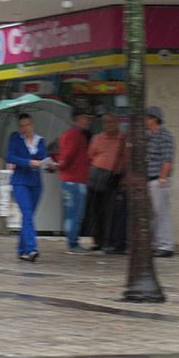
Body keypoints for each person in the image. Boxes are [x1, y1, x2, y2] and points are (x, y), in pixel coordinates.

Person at [6, 113, 48, 262]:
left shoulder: (40, 140)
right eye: (22, 125)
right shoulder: (15, 138)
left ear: (32, 125)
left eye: (27, 125)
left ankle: (21, 250)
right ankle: (31, 249)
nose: (25, 128)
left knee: (28, 217)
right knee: (28, 214)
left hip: (36, 183)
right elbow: (10, 157)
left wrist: (45, 163)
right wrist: (29, 162)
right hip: (20, 181)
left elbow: (43, 156)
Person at [87, 113, 126, 253]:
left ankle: (109, 241)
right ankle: (98, 241)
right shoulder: (97, 138)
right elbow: (90, 155)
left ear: (117, 123)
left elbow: (125, 159)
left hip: (112, 176)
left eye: (113, 122)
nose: (110, 125)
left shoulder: (122, 139)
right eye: (107, 122)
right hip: (96, 175)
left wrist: (122, 178)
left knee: (110, 211)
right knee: (95, 211)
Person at [57, 109, 92, 254]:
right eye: (86, 117)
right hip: (74, 181)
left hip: (74, 180)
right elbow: (67, 156)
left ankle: (73, 241)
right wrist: (60, 165)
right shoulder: (75, 135)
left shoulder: (74, 135)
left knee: (73, 212)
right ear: (77, 119)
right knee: (74, 213)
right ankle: (72, 244)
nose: (88, 121)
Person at [146, 106, 175, 257]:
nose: (145, 120)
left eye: (147, 117)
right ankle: (157, 244)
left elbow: (167, 160)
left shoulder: (164, 136)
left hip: (158, 180)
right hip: (150, 180)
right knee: (154, 214)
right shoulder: (149, 136)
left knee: (161, 213)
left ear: (154, 119)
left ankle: (166, 245)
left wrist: (162, 179)